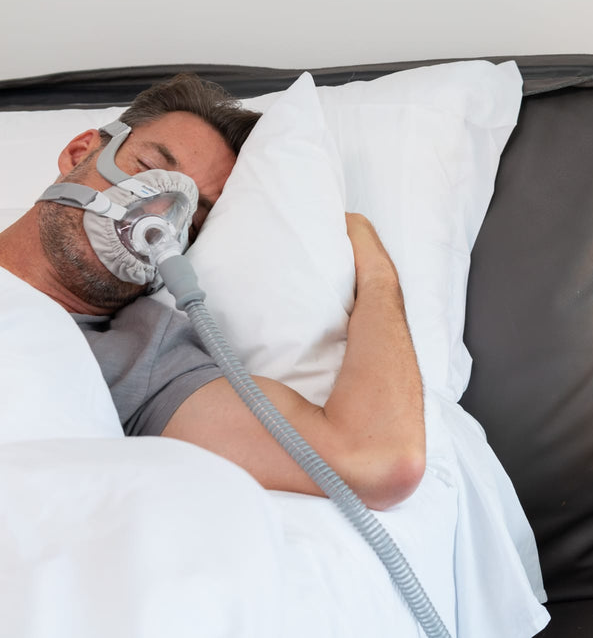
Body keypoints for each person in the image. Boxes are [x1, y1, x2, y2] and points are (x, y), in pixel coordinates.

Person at [0, 74, 426, 510]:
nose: (154, 211)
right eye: (148, 170)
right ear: (79, 152)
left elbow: (375, 462)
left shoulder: (144, 358)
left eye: (193, 215)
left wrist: (375, 271)